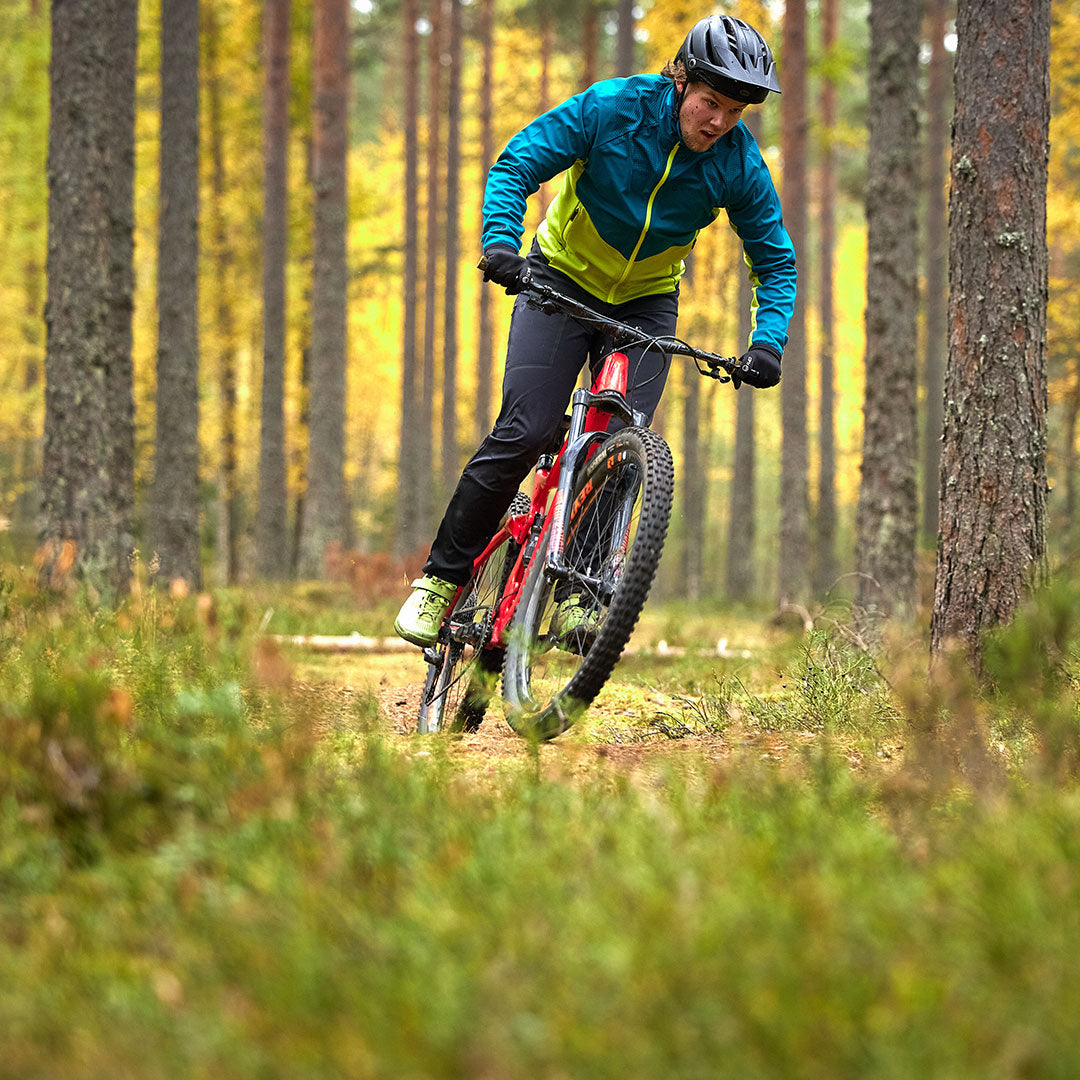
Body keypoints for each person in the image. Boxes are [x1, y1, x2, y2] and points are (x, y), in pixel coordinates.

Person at [395, 13, 797, 647]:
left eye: (735, 111)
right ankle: (440, 581)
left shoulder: (739, 165)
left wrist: (767, 342)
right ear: (681, 80)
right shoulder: (615, 108)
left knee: (619, 450)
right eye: (710, 102)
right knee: (527, 430)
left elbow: (773, 259)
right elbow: (519, 161)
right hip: (558, 280)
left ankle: (581, 590)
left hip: (644, 307)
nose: (718, 121)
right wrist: (503, 246)